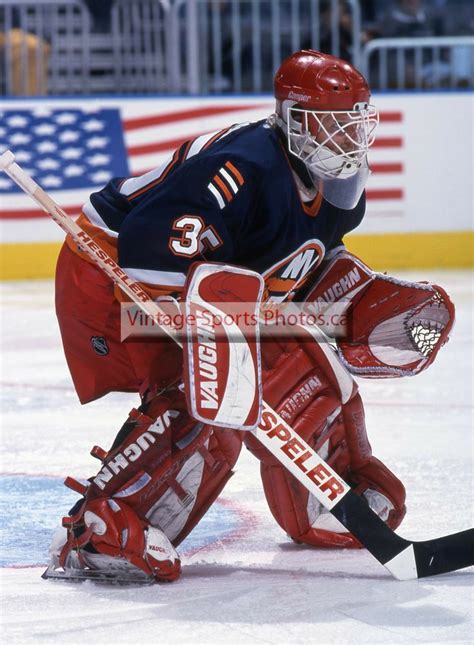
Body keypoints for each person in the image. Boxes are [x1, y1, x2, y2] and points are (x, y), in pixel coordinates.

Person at [47, 50, 453, 583]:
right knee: (209, 396)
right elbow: (150, 249)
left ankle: (328, 496)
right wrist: (216, 335)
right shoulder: (241, 166)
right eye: (330, 125)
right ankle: (102, 525)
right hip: (112, 275)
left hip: (204, 287)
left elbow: (295, 267)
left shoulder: (339, 187)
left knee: (311, 366)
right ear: (291, 119)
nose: (346, 139)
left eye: (353, 122)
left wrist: (348, 306)